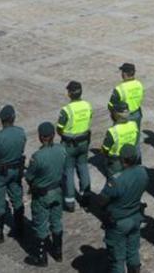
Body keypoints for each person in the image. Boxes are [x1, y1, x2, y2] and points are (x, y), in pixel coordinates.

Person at [91, 145, 148, 273]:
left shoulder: (117, 180)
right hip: (136, 217)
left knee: (117, 258)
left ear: (122, 159)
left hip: (119, 222)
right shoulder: (143, 173)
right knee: (133, 251)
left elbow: (101, 200)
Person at [24, 122, 67, 267]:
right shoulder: (61, 150)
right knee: (56, 221)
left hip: (42, 195)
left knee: (40, 224)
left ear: (40, 137)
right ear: (53, 135)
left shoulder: (37, 156)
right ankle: (58, 252)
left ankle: (41, 257)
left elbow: (29, 177)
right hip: (57, 191)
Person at [0, 105, 26, 244]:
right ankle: (20, 228)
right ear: (13, 118)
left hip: (1, 172)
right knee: (17, 196)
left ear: (1, 120)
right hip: (16, 170)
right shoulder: (21, 133)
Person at [56, 81, 92, 213]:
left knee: (69, 171)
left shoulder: (66, 110)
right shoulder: (87, 105)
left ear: (70, 93)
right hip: (84, 142)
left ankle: (70, 201)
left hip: (69, 144)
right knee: (83, 167)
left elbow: (59, 128)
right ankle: (86, 195)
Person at [108, 62, 144, 136]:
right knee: (135, 137)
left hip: (124, 116)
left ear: (124, 74)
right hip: (137, 114)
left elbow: (111, 105)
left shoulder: (120, 89)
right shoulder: (139, 84)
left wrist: (114, 117)